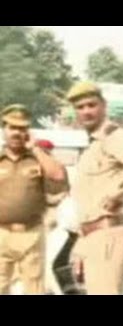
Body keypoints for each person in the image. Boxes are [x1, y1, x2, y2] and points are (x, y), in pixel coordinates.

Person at [66, 81, 123, 295]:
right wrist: (81, 239)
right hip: (90, 235)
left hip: (107, 234)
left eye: (91, 105)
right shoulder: (92, 145)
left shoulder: (112, 136)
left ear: (103, 106)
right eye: (80, 107)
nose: (86, 111)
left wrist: (114, 192)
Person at [0, 105, 68, 295]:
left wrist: (35, 149)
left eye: (22, 128)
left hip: (31, 233)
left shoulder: (38, 157)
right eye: (12, 127)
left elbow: (58, 176)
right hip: (1, 233)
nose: (16, 133)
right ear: (4, 129)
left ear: (28, 131)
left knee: (34, 287)